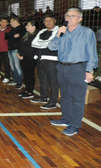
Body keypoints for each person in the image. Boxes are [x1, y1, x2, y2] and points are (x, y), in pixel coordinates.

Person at [48, 8, 98, 136]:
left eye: (73, 16)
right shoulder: (62, 31)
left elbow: (92, 53)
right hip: (62, 67)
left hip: (78, 68)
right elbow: (51, 47)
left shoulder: (87, 32)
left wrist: (89, 70)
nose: (69, 18)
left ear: (80, 19)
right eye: (67, 16)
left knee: (78, 98)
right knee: (65, 95)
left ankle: (75, 125)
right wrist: (58, 34)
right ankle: (66, 119)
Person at [31, 15, 59, 109]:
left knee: (53, 82)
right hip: (40, 59)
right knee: (43, 80)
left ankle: (53, 102)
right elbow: (34, 43)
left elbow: (51, 44)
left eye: (50, 20)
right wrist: (45, 44)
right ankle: (43, 97)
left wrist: (42, 43)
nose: (48, 22)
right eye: (45, 21)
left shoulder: (59, 31)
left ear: (55, 21)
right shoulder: (42, 31)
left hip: (52, 60)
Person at [17, 20, 39, 99]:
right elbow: (21, 44)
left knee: (30, 74)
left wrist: (23, 54)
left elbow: (33, 48)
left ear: (33, 27)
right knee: (25, 74)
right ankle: (26, 90)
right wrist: (19, 53)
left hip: (30, 58)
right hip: (23, 57)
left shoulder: (36, 36)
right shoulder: (26, 35)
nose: (26, 27)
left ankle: (30, 91)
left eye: (28, 25)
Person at [5, 17, 26, 89]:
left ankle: (19, 82)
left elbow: (9, 35)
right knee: (12, 66)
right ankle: (15, 79)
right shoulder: (13, 30)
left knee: (17, 66)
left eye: (11, 22)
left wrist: (11, 35)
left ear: (15, 21)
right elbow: (7, 35)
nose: (10, 23)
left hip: (16, 50)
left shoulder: (21, 28)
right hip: (10, 49)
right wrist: (10, 35)